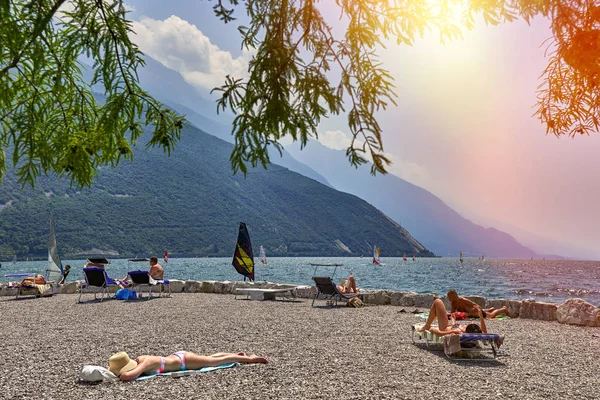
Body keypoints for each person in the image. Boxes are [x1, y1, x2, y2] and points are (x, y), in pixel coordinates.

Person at [108, 351, 268, 381]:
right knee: (210, 358)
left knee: (216, 362)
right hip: (180, 357)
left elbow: (128, 376)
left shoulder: (145, 363)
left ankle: (251, 359)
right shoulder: (141, 358)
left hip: (184, 362)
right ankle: (237, 355)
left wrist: (120, 374)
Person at [419, 298, 487, 336]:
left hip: (443, 327)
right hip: (450, 325)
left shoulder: (458, 331)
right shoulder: (471, 331)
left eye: (471, 323)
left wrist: (432, 329)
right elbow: (484, 332)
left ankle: (427, 325)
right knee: (438, 309)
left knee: (438, 302)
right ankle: (428, 323)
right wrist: (481, 316)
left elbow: (440, 333)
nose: (471, 321)